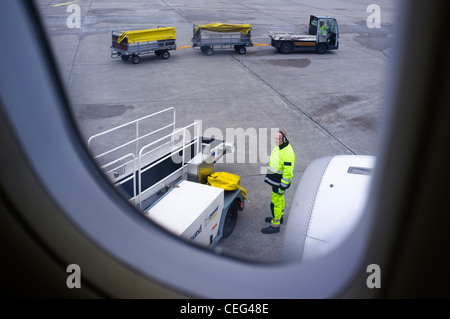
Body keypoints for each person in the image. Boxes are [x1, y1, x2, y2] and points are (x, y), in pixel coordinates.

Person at [262, 130, 296, 234]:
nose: (276, 141)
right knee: (280, 199)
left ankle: (275, 225)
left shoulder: (288, 153)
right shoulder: (279, 146)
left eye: (278, 139)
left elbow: (288, 173)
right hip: (275, 180)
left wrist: (282, 187)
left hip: (279, 183)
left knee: (275, 203)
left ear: (284, 139)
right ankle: (279, 217)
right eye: (275, 138)